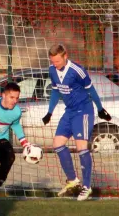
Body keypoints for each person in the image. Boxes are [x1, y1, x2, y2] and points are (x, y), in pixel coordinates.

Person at [42, 44, 112, 201]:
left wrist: (100, 109)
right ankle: (73, 180)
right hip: (69, 111)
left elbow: (91, 90)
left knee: (81, 147)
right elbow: (55, 91)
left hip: (83, 111)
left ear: (65, 56)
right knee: (58, 144)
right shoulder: (52, 70)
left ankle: (87, 187)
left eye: (57, 61)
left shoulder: (77, 70)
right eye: (53, 61)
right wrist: (49, 112)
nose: (55, 64)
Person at [0, 82, 32, 199]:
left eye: (17, 98)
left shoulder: (16, 112)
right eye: (11, 97)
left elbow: (16, 125)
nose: (14, 101)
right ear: (3, 95)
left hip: (1, 139)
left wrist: (24, 143)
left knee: (10, 158)